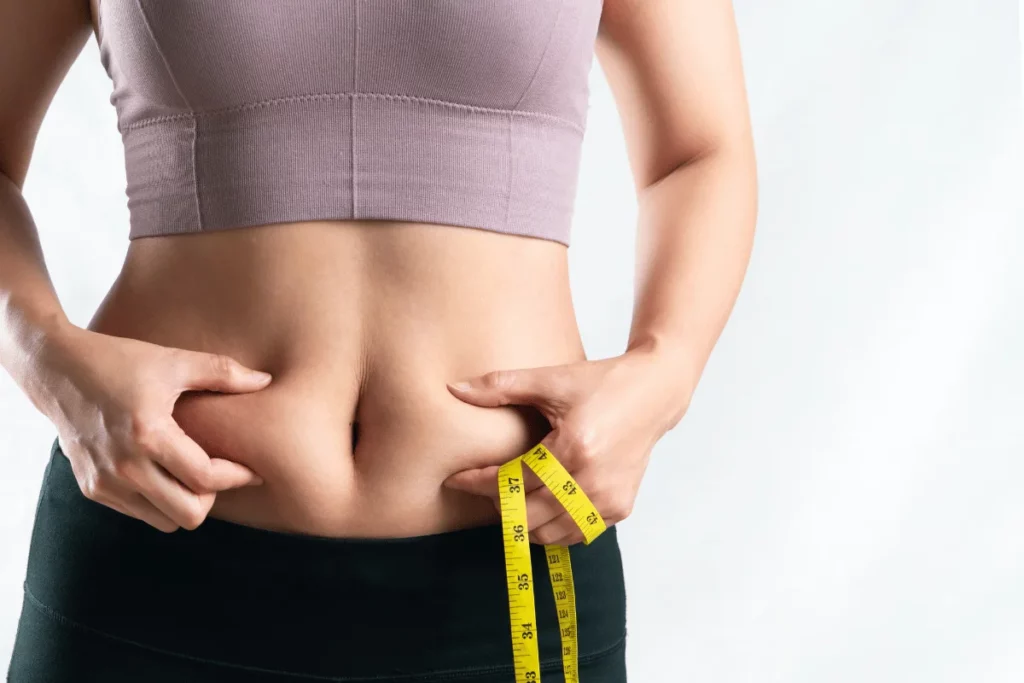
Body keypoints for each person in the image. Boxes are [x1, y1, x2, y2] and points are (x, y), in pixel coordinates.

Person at [1, 0, 756, 681]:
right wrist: (46, 360)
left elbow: (700, 148)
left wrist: (666, 369)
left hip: (503, 572)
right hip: (149, 558)